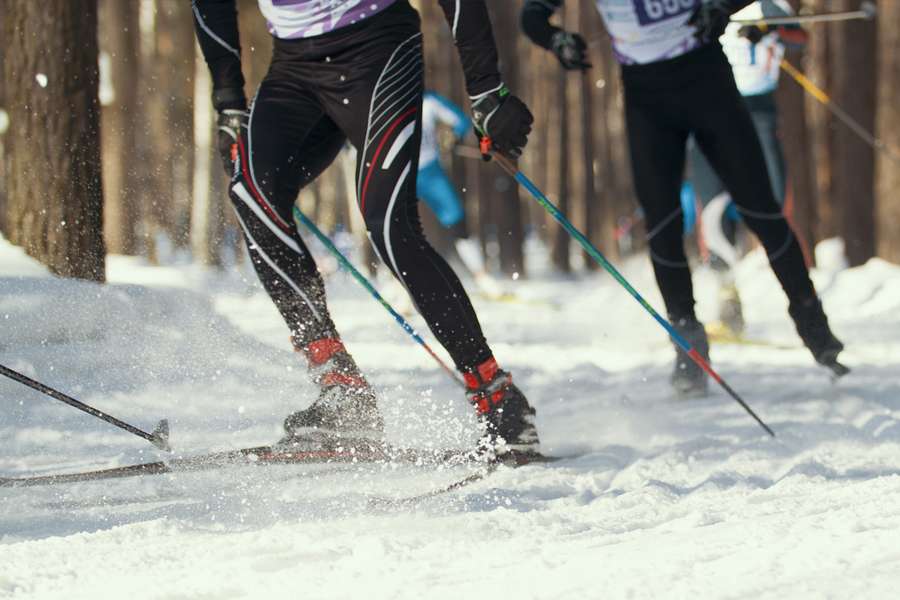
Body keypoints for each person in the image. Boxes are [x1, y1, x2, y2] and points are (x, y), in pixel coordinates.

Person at [192, 0, 538, 452]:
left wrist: (486, 89)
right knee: (251, 194)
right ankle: (342, 391)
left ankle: (496, 395)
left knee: (389, 227)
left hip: (378, 52)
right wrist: (229, 103)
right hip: (294, 66)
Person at [521, 0, 846, 396]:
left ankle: (815, 327)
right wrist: (555, 40)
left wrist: (721, 7)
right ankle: (688, 347)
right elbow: (532, 14)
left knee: (761, 209)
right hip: (646, 100)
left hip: (707, 81)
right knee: (663, 225)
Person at [685, 0, 808, 335]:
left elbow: (799, 37)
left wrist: (768, 28)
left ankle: (803, 306)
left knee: (772, 201)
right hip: (710, 107)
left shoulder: (770, 4)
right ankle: (727, 295)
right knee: (713, 204)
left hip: (758, 110)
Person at [417, 90, 501, 296]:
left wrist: (453, 137)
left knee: (457, 221)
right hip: (396, 174)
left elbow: (461, 121)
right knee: (395, 228)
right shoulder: (382, 98)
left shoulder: (428, 100)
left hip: (430, 172)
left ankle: (482, 278)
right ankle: (399, 289)